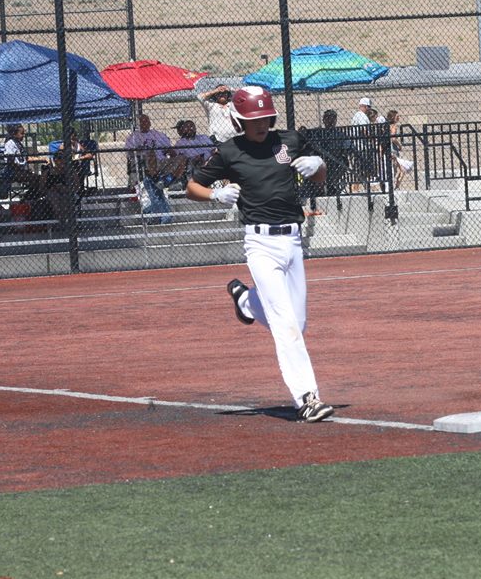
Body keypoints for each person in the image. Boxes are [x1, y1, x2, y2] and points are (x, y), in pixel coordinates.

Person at [185, 86, 334, 423]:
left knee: (299, 323)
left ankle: (246, 302)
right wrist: (215, 195)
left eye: (265, 118)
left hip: (293, 241)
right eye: (253, 119)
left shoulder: (290, 141)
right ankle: (307, 398)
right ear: (238, 120)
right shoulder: (229, 152)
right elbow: (192, 187)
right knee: (285, 327)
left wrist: (319, 165)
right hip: (260, 244)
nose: (261, 125)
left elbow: (321, 179)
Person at [125, 114, 187, 188]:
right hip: (144, 162)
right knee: (151, 152)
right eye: (142, 122)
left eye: (146, 121)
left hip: (161, 161)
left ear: (150, 123)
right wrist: (139, 149)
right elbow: (129, 152)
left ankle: (169, 179)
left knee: (182, 157)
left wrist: (171, 152)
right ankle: (156, 179)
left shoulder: (158, 135)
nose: (144, 123)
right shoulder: (133, 137)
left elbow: (169, 149)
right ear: (138, 124)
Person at [2, 123, 43, 198]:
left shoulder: (18, 144)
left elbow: (26, 159)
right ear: (14, 134)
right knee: (36, 179)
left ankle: (31, 195)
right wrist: (22, 170)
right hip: (12, 172)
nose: (23, 135)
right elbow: (10, 161)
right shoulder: (10, 143)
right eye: (21, 133)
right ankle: (30, 196)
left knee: (39, 178)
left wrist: (42, 159)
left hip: (20, 171)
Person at [350, 97, 375, 192]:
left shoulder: (357, 115)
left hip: (358, 145)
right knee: (360, 168)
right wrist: (372, 139)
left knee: (361, 168)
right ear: (364, 106)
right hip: (361, 146)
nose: (369, 109)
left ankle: (364, 187)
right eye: (369, 107)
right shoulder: (362, 116)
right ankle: (356, 188)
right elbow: (364, 129)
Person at [386, 109, 414, 189]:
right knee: (399, 169)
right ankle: (395, 186)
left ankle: (394, 186)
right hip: (393, 149)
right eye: (397, 116)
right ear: (393, 117)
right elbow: (393, 138)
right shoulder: (394, 126)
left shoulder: (387, 126)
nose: (399, 118)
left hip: (389, 148)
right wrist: (399, 145)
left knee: (396, 168)